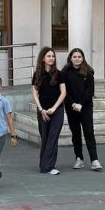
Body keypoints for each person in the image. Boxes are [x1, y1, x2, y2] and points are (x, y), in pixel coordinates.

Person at [61, 48, 101, 171]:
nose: (77, 59)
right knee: (76, 133)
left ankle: (94, 160)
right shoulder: (65, 72)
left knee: (89, 132)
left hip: (86, 107)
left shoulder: (88, 71)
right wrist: (73, 104)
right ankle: (79, 159)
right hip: (71, 107)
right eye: (74, 57)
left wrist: (81, 104)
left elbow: (90, 91)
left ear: (83, 58)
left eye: (79, 56)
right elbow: (64, 91)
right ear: (70, 58)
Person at [31, 46, 66, 175]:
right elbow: (34, 93)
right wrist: (41, 109)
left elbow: (63, 93)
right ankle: (43, 164)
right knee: (45, 137)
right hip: (42, 111)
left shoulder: (59, 73)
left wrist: (54, 108)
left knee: (53, 137)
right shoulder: (37, 74)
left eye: (53, 56)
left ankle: (49, 166)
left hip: (57, 110)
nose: (51, 58)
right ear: (43, 59)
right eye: (49, 56)